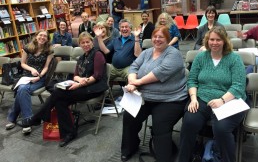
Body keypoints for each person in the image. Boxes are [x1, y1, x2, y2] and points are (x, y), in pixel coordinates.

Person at [20, 32, 109, 147]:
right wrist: (78, 80)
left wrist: (80, 83)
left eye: (88, 42)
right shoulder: (82, 57)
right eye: (83, 43)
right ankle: (69, 133)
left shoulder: (98, 54)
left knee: (58, 93)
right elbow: (76, 75)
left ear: (92, 42)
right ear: (80, 45)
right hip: (82, 85)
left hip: (94, 88)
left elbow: (97, 76)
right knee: (59, 100)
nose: (86, 44)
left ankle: (37, 118)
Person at [178, 26, 246, 162]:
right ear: (207, 41)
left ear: (225, 41)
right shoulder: (201, 57)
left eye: (218, 40)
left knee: (221, 129)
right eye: (211, 39)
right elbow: (192, 80)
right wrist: (193, 99)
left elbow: (238, 86)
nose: (214, 43)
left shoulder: (234, 59)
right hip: (201, 98)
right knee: (189, 122)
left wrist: (222, 100)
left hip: (228, 100)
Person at [121, 26, 188, 162]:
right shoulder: (147, 52)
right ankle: (130, 147)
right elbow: (134, 66)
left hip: (170, 99)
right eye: (154, 36)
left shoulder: (173, 54)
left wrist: (136, 83)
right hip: (145, 97)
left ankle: (164, 157)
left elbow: (159, 73)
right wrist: (132, 80)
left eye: (161, 37)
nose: (157, 39)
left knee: (159, 125)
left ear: (167, 39)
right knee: (129, 117)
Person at [6, 30, 53, 135]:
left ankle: (13, 117)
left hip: (39, 78)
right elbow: (22, 64)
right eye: (40, 35)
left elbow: (46, 67)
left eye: (45, 36)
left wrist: (39, 76)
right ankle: (28, 120)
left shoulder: (49, 50)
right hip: (26, 76)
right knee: (22, 89)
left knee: (21, 89)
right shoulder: (28, 48)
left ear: (47, 39)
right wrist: (31, 69)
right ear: (36, 36)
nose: (42, 37)